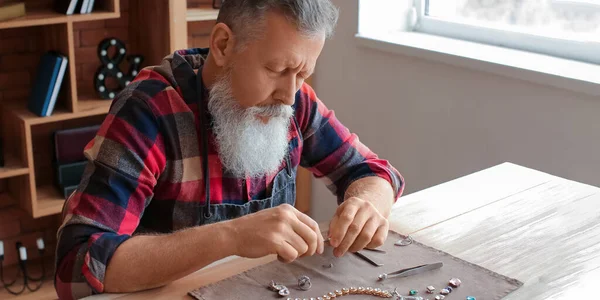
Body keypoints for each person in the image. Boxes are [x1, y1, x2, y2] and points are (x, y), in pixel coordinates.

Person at [54, 0, 404, 299]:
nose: (289, 95)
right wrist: (230, 236)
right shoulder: (148, 112)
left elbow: (375, 172)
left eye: (302, 74)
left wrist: (368, 204)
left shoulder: (294, 102)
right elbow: (76, 264)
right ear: (222, 45)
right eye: (276, 69)